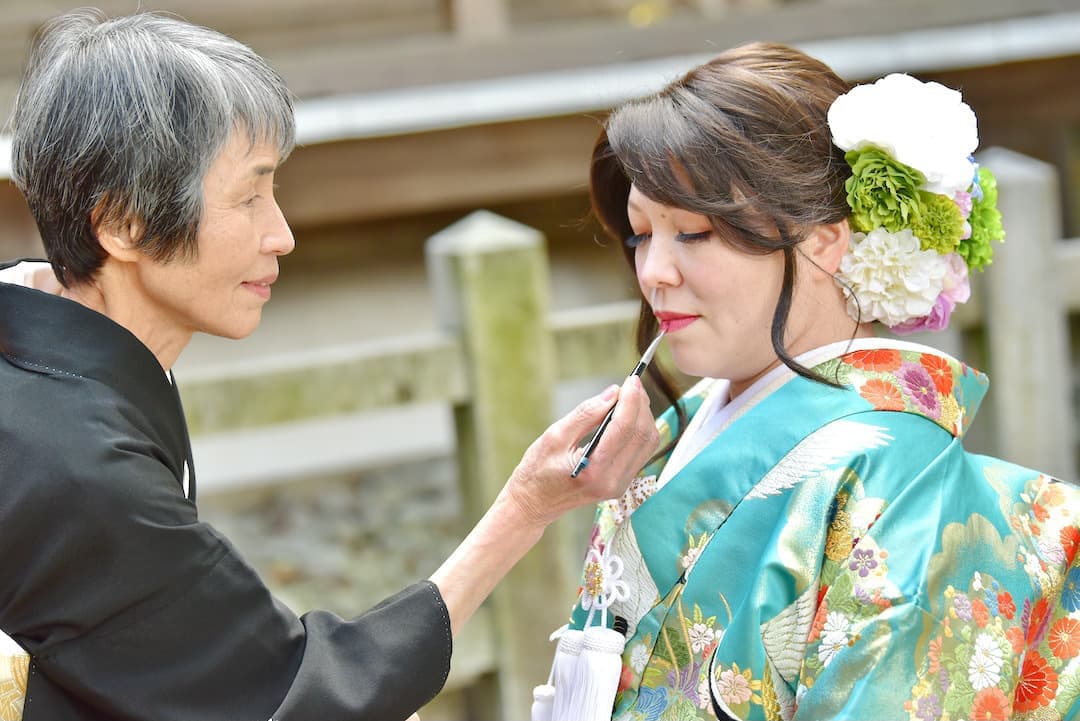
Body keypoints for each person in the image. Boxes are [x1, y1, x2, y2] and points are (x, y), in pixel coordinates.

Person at [0, 10, 661, 721]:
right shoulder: (77, 467)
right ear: (124, 223)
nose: (280, 234)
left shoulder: (37, 345)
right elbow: (297, 695)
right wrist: (526, 506)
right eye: (249, 195)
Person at [541, 42, 1080, 721]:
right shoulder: (681, 425)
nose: (654, 272)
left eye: (695, 232)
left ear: (825, 238)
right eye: (643, 234)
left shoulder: (897, 475)